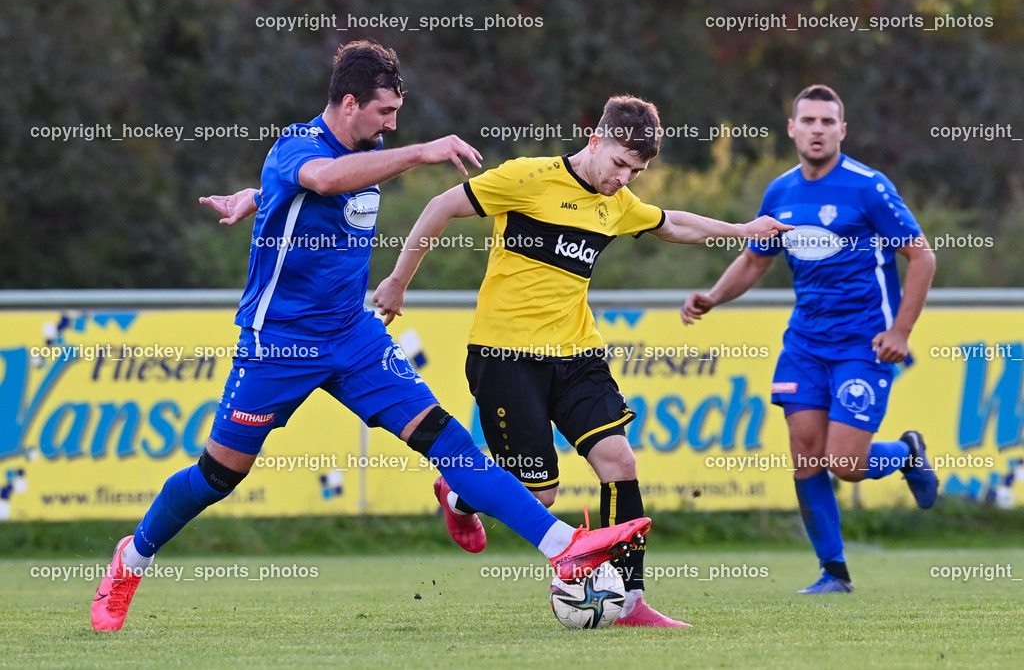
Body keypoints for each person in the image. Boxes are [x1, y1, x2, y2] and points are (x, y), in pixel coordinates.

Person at [90, 40, 653, 632]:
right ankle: (131, 560)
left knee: (448, 439)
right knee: (218, 477)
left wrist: (257, 198)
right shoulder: (297, 146)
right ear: (350, 102)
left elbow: (314, 190)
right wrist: (420, 153)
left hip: (355, 337)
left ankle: (565, 546)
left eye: (397, 118)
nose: (391, 125)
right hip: (279, 343)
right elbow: (324, 179)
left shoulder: (367, 145)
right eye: (384, 113)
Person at [373, 95, 792, 627]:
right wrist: (397, 281)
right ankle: (460, 494)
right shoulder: (528, 178)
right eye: (619, 164)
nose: (623, 179)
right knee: (540, 493)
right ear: (596, 140)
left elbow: (672, 224)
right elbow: (440, 207)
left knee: (620, 462)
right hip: (506, 356)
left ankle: (629, 602)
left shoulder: (617, 205)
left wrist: (742, 231)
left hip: (577, 355)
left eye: (635, 171)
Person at [681, 84, 938, 594]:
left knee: (844, 464)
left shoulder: (869, 187)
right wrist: (712, 297)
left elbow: (922, 256)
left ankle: (907, 454)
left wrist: (901, 332)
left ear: (842, 130)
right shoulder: (780, 193)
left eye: (828, 122)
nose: (817, 129)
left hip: (863, 345)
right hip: (804, 345)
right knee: (805, 453)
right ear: (792, 129)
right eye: (809, 121)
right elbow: (756, 258)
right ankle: (833, 572)